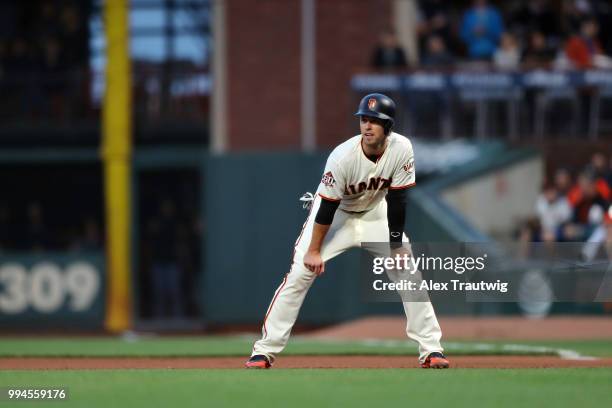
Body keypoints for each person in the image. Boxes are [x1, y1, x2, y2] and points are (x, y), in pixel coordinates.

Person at [246, 94, 449, 369]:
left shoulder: (402, 148)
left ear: (387, 126)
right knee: (299, 273)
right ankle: (264, 351)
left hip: (376, 214)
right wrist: (315, 250)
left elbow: (398, 201)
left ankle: (431, 350)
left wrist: (396, 244)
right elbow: (327, 208)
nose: (367, 126)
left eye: (374, 121)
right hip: (335, 217)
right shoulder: (342, 156)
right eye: (364, 119)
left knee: (408, 272)